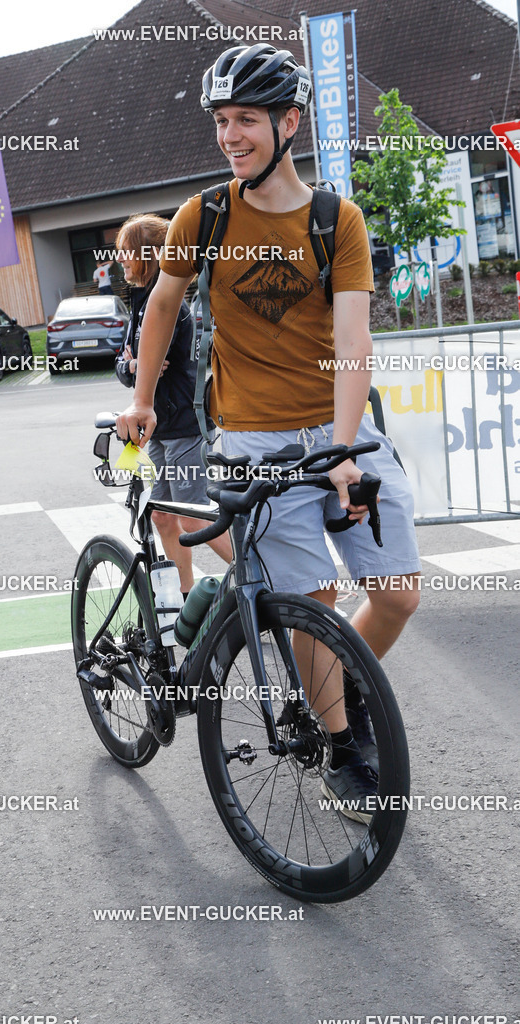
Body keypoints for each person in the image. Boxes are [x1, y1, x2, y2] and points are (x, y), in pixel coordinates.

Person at [116, 44, 421, 820]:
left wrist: (343, 449)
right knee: (314, 598)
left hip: (338, 426)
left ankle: (341, 690)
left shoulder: (336, 220)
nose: (230, 136)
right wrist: (143, 400)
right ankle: (340, 747)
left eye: (246, 119)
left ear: (289, 123)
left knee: (396, 595)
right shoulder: (206, 215)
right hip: (252, 439)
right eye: (221, 121)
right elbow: (162, 306)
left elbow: (353, 340)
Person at [114, 213, 231, 595]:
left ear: (148, 254)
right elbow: (125, 366)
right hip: (157, 429)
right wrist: (134, 366)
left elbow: (156, 364)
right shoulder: (141, 305)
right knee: (163, 517)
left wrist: (138, 365)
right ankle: (185, 597)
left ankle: (265, 582)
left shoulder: (169, 305)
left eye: (127, 251)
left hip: (184, 426)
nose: (121, 259)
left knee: (194, 518)